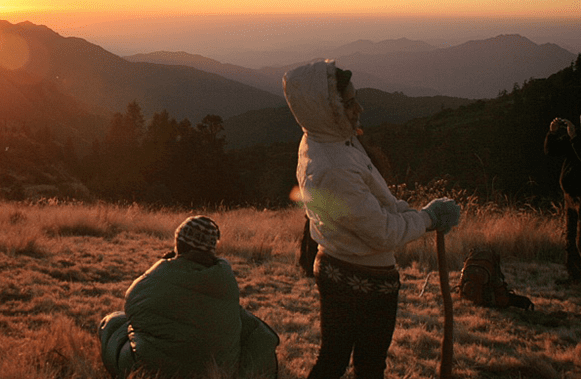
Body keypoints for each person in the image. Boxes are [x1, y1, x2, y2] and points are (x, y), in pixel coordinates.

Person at [282, 60, 460, 379]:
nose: (359, 108)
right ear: (327, 109)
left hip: (340, 268)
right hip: (359, 280)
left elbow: (378, 203)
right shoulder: (333, 165)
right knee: (366, 364)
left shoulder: (330, 141)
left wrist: (412, 213)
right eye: (349, 102)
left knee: (335, 358)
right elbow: (381, 234)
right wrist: (429, 219)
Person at [98, 215, 280, 379]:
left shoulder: (153, 279)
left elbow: (131, 306)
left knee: (113, 322)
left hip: (153, 372)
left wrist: (164, 264)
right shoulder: (225, 279)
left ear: (178, 244)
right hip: (216, 371)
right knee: (246, 323)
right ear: (211, 250)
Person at [545, 116, 580, 282]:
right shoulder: (574, 137)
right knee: (570, 236)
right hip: (570, 195)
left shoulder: (575, 139)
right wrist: (552, 133)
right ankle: (573, 274)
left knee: (580, 238)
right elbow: (551, 151)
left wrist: (574, 139)